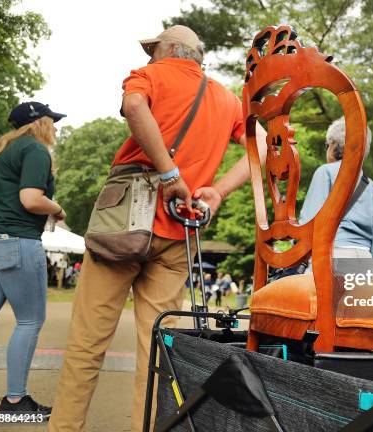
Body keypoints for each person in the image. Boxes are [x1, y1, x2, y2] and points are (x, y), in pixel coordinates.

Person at [49, 25, 267, 432]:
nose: (150, 56)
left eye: (154, 50)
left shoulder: (148, 75)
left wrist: (168, 174)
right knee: (158, 354)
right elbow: (266, 145)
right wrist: (217, 192)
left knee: (86, 344)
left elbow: (134, 108)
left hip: (125, 225)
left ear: (167, 50)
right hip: (179, 233)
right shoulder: (225, 97)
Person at [0, 102, 67, 427]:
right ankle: (15, 400)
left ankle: (15, 399)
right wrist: (56, 208)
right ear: (39, 122)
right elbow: (30, 200)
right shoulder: (35, 151)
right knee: (28, 321)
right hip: (15, 241)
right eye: (52, 121)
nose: (54, 127)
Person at [300, 116, 373, 275]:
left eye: (327, 145)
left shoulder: (325, 173)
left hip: (331, 260)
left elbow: (308, 225)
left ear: (333, 146)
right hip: (366, 267)